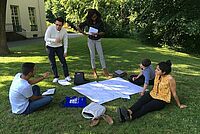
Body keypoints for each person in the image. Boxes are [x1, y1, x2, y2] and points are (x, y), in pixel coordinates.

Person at [117, 60, 187, 122]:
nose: (155, 70)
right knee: (141, 101)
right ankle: (128, 112)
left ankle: (131, 117)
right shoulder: (157, 75)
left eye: (158, 69)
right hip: (153, 93)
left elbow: (174, 93)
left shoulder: (170, 79)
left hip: (162, 99)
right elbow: (145, 72)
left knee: (146, 107)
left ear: (164, 72)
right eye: (156, 68)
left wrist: (179, 105)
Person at [77, 9, 110, 78]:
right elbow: (79, 27)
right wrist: (83, 33)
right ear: (90, 17)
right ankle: (94, 72)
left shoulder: (100, 22)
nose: (94, 18)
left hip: (98, 40)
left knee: (101, 55)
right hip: (90, 40)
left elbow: (103, 32)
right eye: (92, 17)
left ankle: (105, 71)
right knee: (92, 56)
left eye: (95, 16)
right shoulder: (88, 21)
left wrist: (97, 33)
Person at [44, 17, 71, 83]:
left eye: (60, 25)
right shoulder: (50, 28)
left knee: (63, 61)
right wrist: (54, 40)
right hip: (50, 46)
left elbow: (65, 41)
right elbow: (46, 38)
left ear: (62, 25)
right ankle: (56, 76)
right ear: (55, 23)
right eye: (57, 24)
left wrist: (65, 51)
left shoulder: (64, 31)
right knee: (53, 62)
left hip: (59, 46)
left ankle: (67, 76)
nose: (58, 26)